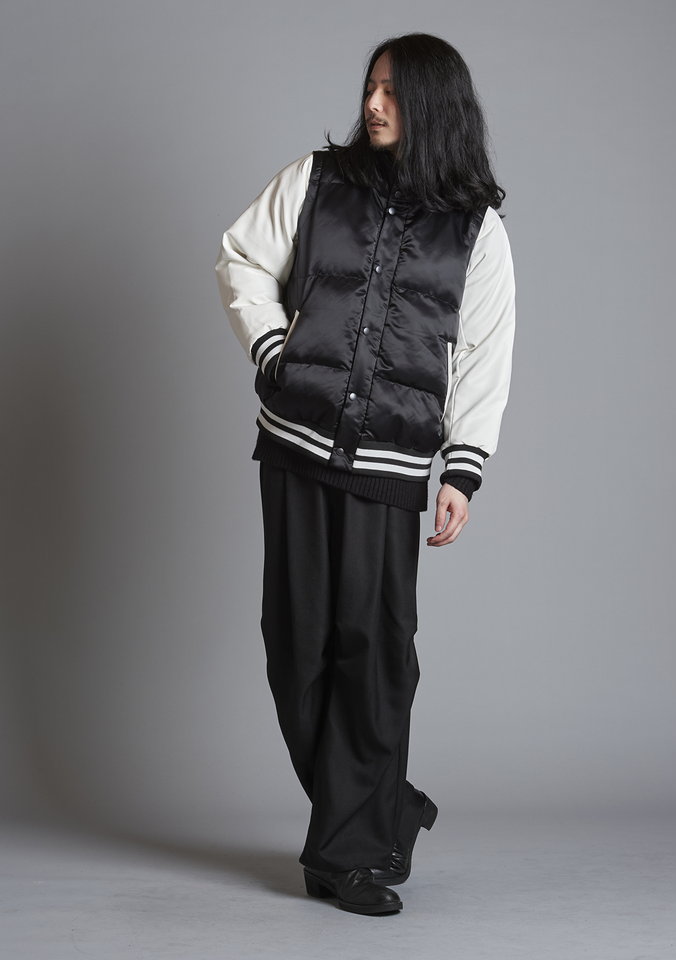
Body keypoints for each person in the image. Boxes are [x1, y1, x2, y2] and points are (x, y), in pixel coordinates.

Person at [214, 32, 515, 916]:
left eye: (392, 90)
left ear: (434, 104)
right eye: (371, 86)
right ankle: (383, 808)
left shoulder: (477, 231)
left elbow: (487, 354)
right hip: (296, 443)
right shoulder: (315, 182)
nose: (373, 103)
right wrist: (274, 352)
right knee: (295, 647)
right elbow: (240, 257)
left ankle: (348, 855)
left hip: (393, 463)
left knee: (373, 652)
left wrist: (463, 470)